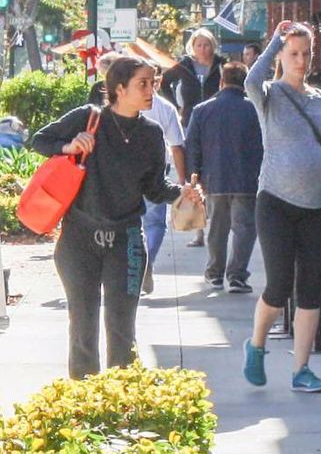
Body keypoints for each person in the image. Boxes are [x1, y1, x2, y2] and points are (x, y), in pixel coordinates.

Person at [31, 56, 203, 379]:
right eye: (143, 84)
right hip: (78, 238)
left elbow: (153, 188)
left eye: (153, 83)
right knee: (83, 324)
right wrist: (68, 146)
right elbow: (38, 140)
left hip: (126, 239)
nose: (151, 90)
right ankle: (84, 402)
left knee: (122, 326)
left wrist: (181, 194)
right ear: (119, 89)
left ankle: (121, 401)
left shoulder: (152, 135)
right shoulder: (89, 119)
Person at [241, 21, 321, 394]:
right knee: (279, 284)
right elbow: (250, 82)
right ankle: (256, 344)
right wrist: (274, 41)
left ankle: (302, 369)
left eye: (306, 54)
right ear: (282, 57)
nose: (301, 61)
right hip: (275, 202)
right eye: (293, 54)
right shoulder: (269, 94)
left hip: (315, 206)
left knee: (311, 288)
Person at [185, 61, 263, 294]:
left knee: (217, 228)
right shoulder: (255, 110)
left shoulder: (202, 110)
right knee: (244, 229)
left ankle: (215, 274)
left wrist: (194, 177)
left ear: (222, 81)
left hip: (214, 177)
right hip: (248, 179)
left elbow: (193, 146)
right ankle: (237, 276)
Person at [159, 27, 227, 247]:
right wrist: (176, 106)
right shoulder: (185, 65)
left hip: (215, 121)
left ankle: (215, 221)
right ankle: (198, 230)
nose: (203, 49)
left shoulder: (220, 64)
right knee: (194, 170)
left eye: (207, 45)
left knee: (213, 168)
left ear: (212, 46)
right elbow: (164, 82)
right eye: (199, 45)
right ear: (193, 47)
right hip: (190, 120)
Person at [139, 63, 187, 295]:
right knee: (155, 222)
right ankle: (147, 261)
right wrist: (184, 179)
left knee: (133, 222)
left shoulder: (128, 104)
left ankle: (139, 265)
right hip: (157, 169)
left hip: (130, 170)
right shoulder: (166, 108)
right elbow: (177, 146)